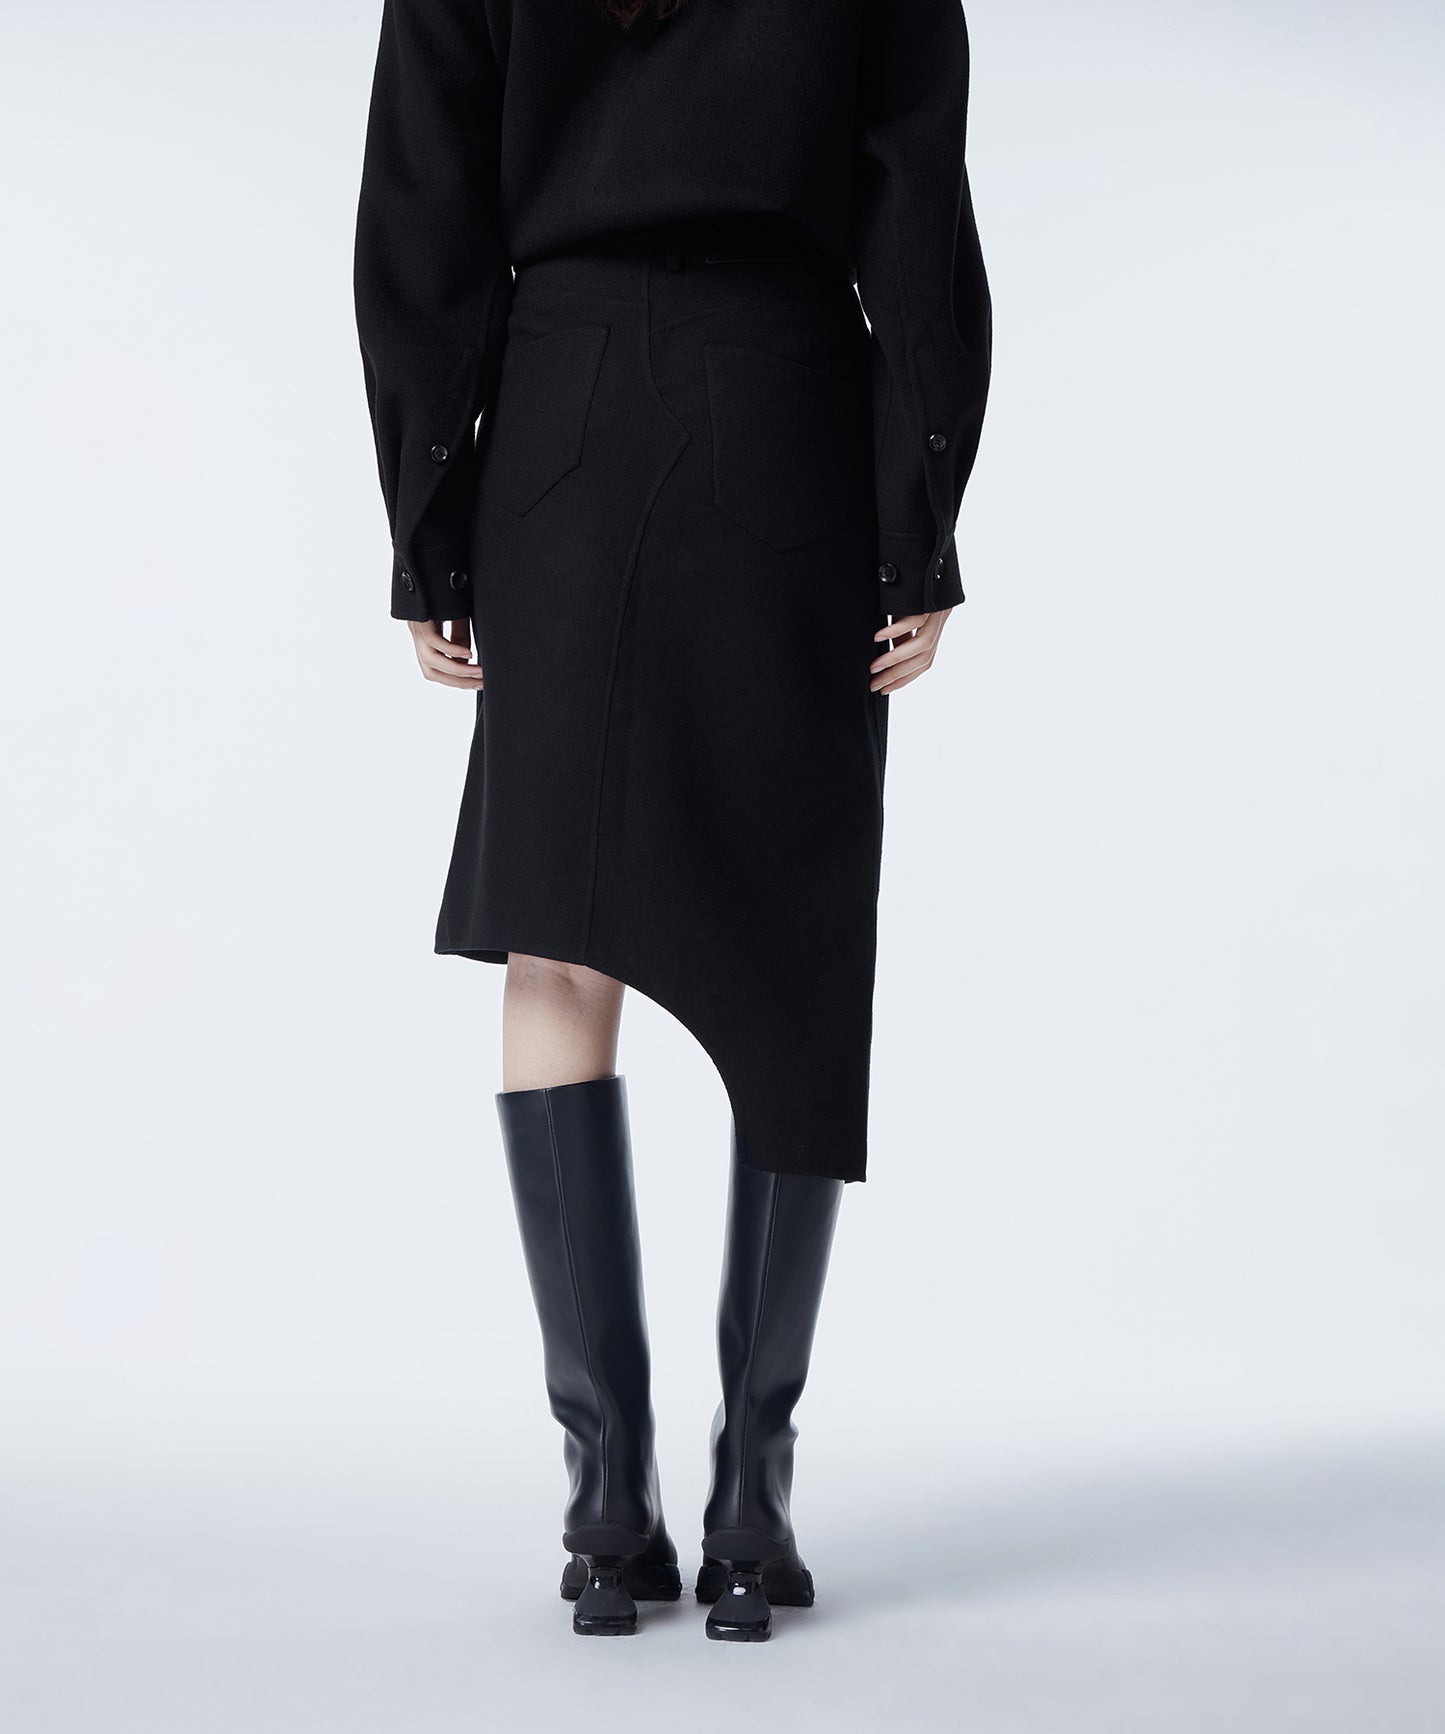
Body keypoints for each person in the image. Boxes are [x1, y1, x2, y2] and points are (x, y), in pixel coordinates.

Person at [353, 0, 991, 1642]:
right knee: (791, 944)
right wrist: (919, 515)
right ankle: (750, 1499)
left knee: (558, 943)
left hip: (556, 423)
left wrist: (428, 522)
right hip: (786, 417)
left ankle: (603, 1495)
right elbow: (914, 206)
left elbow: (423, 208)